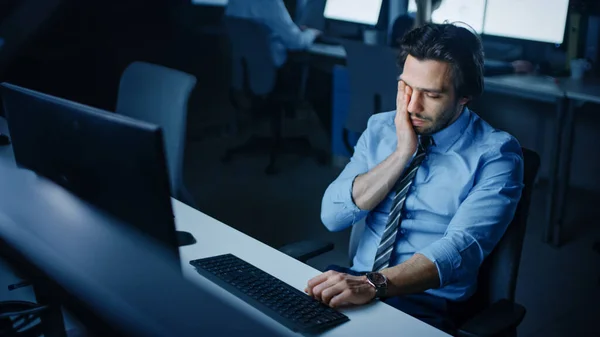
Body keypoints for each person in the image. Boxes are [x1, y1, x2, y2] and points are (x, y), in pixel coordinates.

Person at [305, 23, 524, 335]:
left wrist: (374, 283)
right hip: (355, 279)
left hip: (427, 303)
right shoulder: (382, 129)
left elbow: (459, 250)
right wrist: (401, 154)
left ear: (465, 96)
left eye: (431, 95)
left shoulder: (497, 154)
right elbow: (332, 216)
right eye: (406, 88)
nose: (412, 107)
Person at [390, 0, 533, 75]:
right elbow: (465, 67)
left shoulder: (400, 23)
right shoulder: (432, 38)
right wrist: (510, 67)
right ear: (439, 3)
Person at [225, 0, 322, 69]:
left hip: (239, 68)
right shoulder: (271, 3)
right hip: (267, 65)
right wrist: (312, 33)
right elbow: (296, 42)